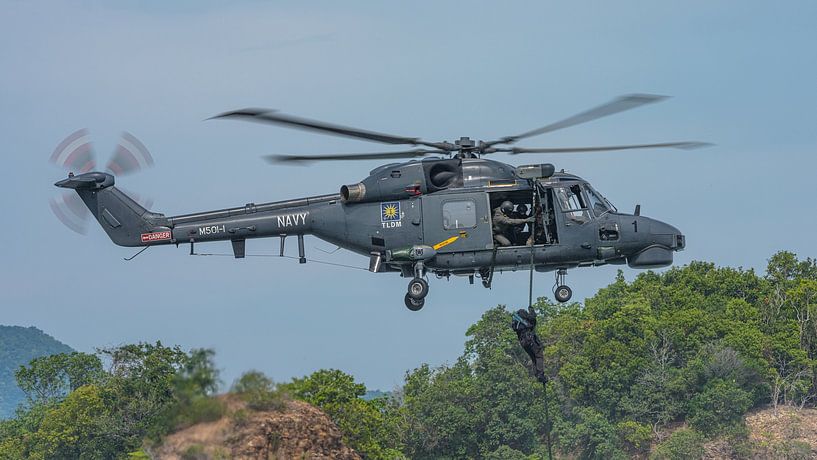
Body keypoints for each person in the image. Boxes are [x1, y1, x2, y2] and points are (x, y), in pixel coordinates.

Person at [511, 307, 546, 384]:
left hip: (523, 343)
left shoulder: (517, 323)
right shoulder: (524, 319)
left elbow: (532, 324)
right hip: (529, 339)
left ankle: (537, 374)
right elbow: (532, 318)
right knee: (539, 355)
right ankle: (540, 374)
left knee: (533, 357)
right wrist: (531, 310)